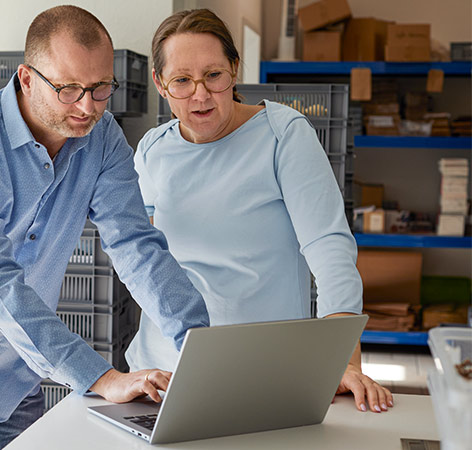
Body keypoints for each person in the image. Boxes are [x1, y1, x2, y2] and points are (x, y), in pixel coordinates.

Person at [0, 5, 211, 449]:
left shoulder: (103, 141)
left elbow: (136, 245)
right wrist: (100, 377)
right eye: (68, 89)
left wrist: (197, 346)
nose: (88, 106)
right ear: (27, 79)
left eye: (101, 88)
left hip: (10, 378)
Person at [124, 9, 394, 414]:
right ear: (161, 85)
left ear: (234, 70)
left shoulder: (282, 134)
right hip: (163, 376)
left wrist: (344, 360)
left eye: (213, 75)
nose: (200, 94)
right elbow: (139, 253)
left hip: (263, 372)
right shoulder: (151, 149)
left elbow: (329, 249)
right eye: (182, 80)